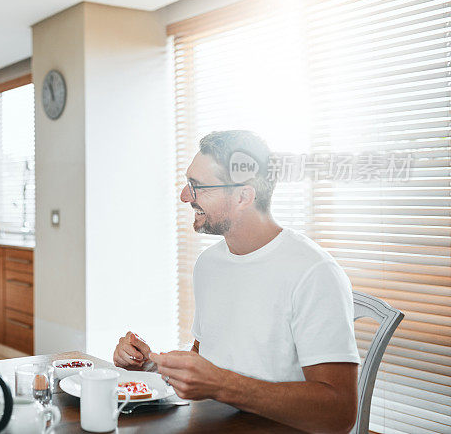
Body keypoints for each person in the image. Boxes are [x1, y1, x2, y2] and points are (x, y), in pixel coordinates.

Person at [113, 130, 360, 434]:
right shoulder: (209, 264)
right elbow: (207, 359)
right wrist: (150, 364)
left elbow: (339, 413)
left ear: (244, 196)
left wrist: (222, 385)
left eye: (198, 187)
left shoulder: (314, 271)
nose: (184, 196)